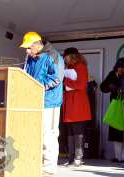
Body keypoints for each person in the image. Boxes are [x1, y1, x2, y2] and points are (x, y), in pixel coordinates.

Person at [20, 31, 65, 176]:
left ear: (37, 45)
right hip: (33, 102)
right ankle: (34, 164)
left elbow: (56, 78)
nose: (27, 50)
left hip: (49, 102)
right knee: (34, 134)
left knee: (48, 136)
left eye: (29, 47)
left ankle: (48, 169)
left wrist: (36, 86)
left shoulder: (53, 56)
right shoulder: (32, 58)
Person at [61, 48, 92, 167]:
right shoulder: (70, 68)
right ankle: (70, 157)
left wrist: (66, 84)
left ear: (71, 56)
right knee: (69, 132)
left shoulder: (81, 67)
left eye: (66, 57)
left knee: (78, 132)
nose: (64, 59)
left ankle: (78, 157)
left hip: (78, 104)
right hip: (70, 104)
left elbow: (81, 85)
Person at [100, 57, 124, 163]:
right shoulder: (112, 74)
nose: (121, 70)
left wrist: (116, 88)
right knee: (114, 131)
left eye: (123, 68)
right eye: (119, 67)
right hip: (114, 106)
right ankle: (117, 156)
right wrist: (110, 87)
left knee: (123, 131)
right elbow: (102, 87)